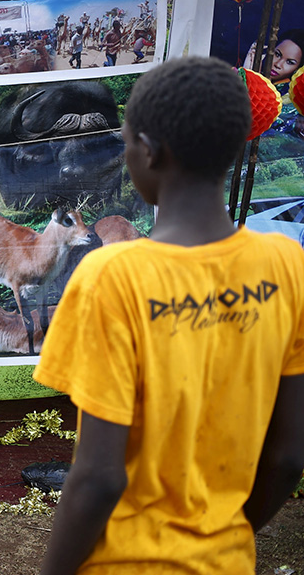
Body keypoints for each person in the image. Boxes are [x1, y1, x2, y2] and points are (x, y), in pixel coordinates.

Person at [34, 56, 304, 574]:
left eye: (127, 141)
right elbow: (290, 455)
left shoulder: (113, 276)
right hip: (227, 559)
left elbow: (98, 478)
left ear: (149, 151)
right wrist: (224, 535)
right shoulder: (287, 266)